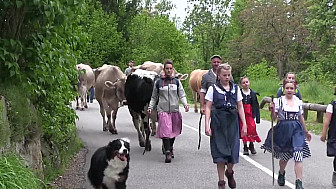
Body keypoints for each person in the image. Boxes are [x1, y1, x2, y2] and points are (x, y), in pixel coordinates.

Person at [261, 80, 312, 189]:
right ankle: (281, 172)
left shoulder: (298, 101)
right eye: (287, 88)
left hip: (296, 130)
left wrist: (306, 131)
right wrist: (272, 110)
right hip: (283, 129)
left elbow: (301, 117)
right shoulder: (278, 101)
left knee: (298, 154)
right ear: (284, 89)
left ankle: (299, 182)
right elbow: (274, 118)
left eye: (291, 88)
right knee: (285, 157)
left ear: (295, 90)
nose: (289, 90)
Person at [204, 63, 247, 189]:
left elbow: (240, 106)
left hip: (232, 122)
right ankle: (221, 181)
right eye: (224, 75)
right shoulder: (213, 88)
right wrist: (207, 125)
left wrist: (244, 124)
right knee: (220, 153)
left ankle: (230, 172)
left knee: (233, 152)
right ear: (218, 75)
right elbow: (208, 107)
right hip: (218, 121)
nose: (227, 77)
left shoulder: (235, 88)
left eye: (229, 75)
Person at [147, 59, 189, 163]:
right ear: (164, 69)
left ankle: (170, 147)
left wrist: (185, 104)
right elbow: (154, 97)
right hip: (163, 110)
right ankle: (167, 152)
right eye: (167, 69)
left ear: (172, 69)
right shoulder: (159, 82)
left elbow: (182, 94)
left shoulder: (176, 82)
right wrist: (150, 107)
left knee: (173, 132)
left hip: (174, 110)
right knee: (166, 132)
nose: (169, 70)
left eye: (170, 69)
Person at [239, 76, 261, 155]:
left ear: (249, 82)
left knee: (252, 128)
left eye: (246, 82)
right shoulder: (239, 93)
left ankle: (251, 144)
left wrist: (257, 117)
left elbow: (256, 105)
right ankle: (245, 146)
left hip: (250, 114)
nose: (245, 84)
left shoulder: (253, 93)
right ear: (241, 84)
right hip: (242, 114)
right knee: (243, 129)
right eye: (243, 83)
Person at [320, 86, 336, 186]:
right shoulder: (332, 105)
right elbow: (327, 121)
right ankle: (335, 173)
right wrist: (324, 133)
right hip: (334, 133)